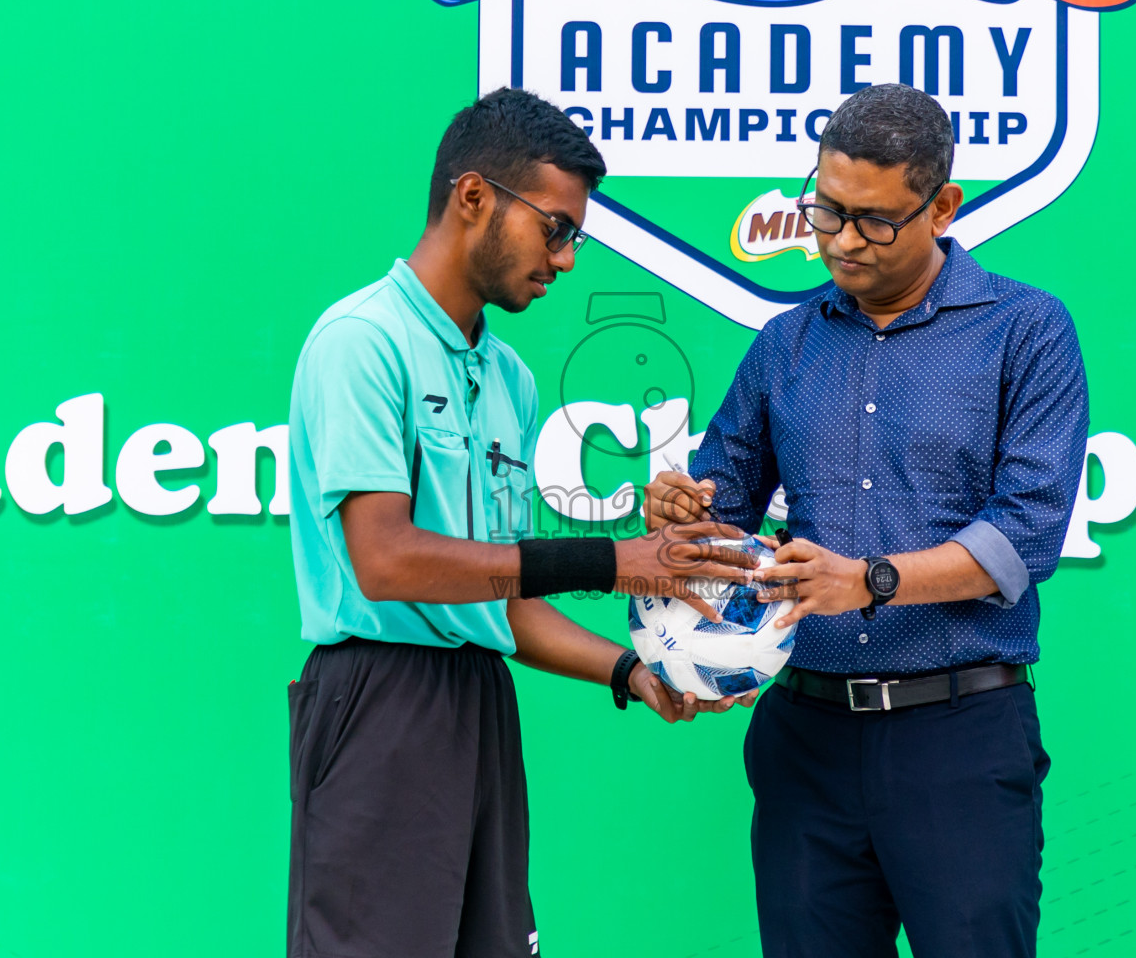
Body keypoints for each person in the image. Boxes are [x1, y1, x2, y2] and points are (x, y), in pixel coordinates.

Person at [286, 87, 755, 958]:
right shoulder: (361, 342)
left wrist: (629, 669)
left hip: (481, 707)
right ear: (473, 198)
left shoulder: (510, 378)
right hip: (377, 702)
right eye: (556, 228)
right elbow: (387, 563)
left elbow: (500, 598)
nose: (567, 259)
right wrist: (614, 562)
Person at [644, 83, 1090, 958]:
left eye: (874, 220)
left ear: (943, 204)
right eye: (827, 210)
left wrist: (871, 581)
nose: (843, 241)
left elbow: (1028, 533)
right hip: (804, 740)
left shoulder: (1026, 329)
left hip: (958, 738)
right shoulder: (785, 341)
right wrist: (681, 511)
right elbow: (721, 510)